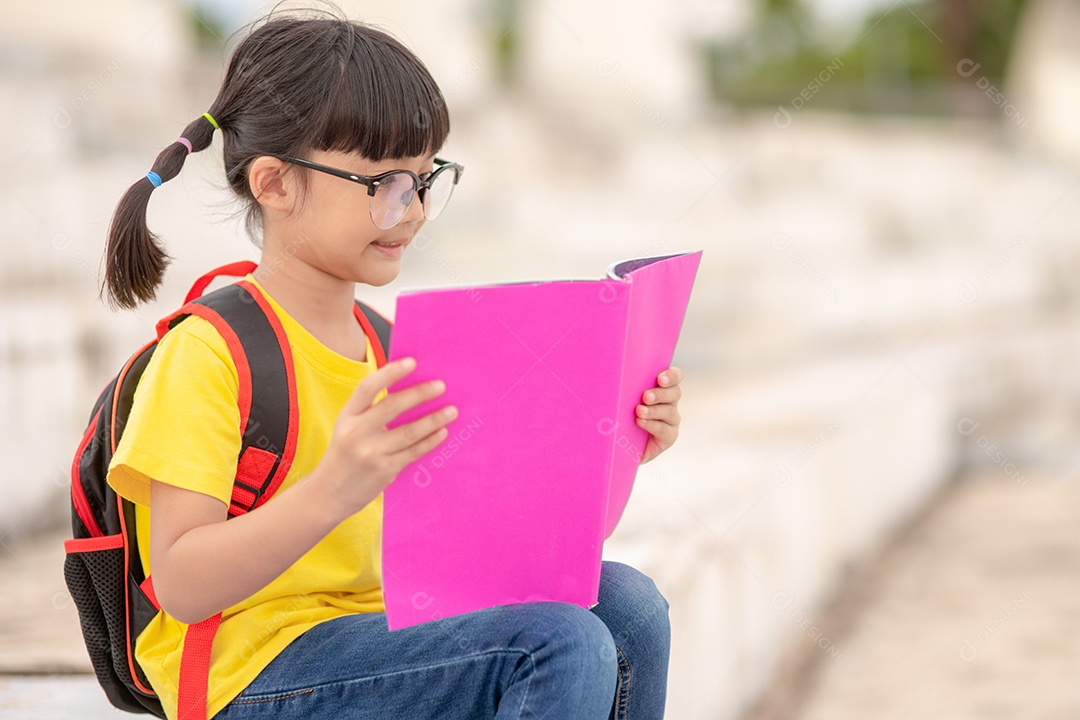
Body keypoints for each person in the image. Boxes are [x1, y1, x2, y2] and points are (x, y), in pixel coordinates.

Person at [102, 9, 682, 720]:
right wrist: (335, 487)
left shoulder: (392, 344)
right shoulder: (209, 353)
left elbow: (474, 527)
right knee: (555, 643)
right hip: (249, 669)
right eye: (385, 185)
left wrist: (615, 441)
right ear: (275, 184)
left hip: (382, 634)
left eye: (425, 178)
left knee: (629, 607)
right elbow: (183, 584)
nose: (411, 210)